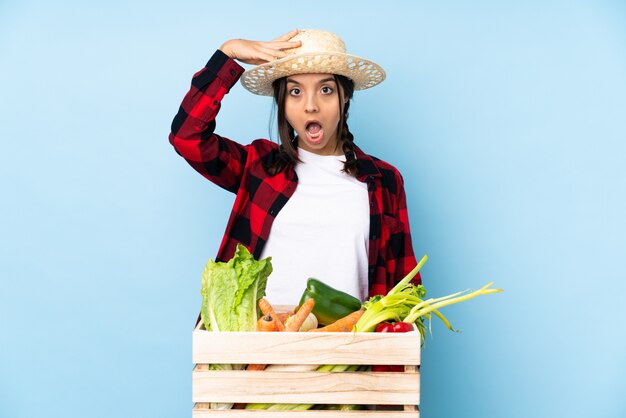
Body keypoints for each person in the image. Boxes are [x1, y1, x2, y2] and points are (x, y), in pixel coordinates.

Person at [169, 29, 420, 305]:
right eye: (295, 92)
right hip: (259, 341)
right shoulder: (259, 167)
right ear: (282, 102)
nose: (311, 106)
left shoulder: (384, 181)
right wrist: (228, 53)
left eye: (325, 90)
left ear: (345, 96)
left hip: (350, 343)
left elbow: (405, 288)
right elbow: (187, 136)